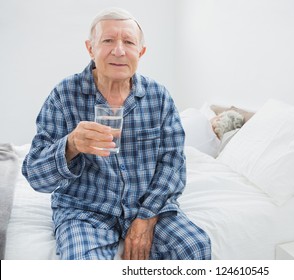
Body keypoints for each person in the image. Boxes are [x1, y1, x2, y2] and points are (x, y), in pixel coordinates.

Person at [22, 7, 211, 260]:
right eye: (108, 40)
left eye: (129, 42)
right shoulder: (64, 95)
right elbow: (35, 175)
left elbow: (173, 165)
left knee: (194, 246)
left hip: (148, 207)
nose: (119, 50)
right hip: (84, 210)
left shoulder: (159, 96)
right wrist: (71, 145)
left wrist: (145, 219)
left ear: (140, 52)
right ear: (91, 48)